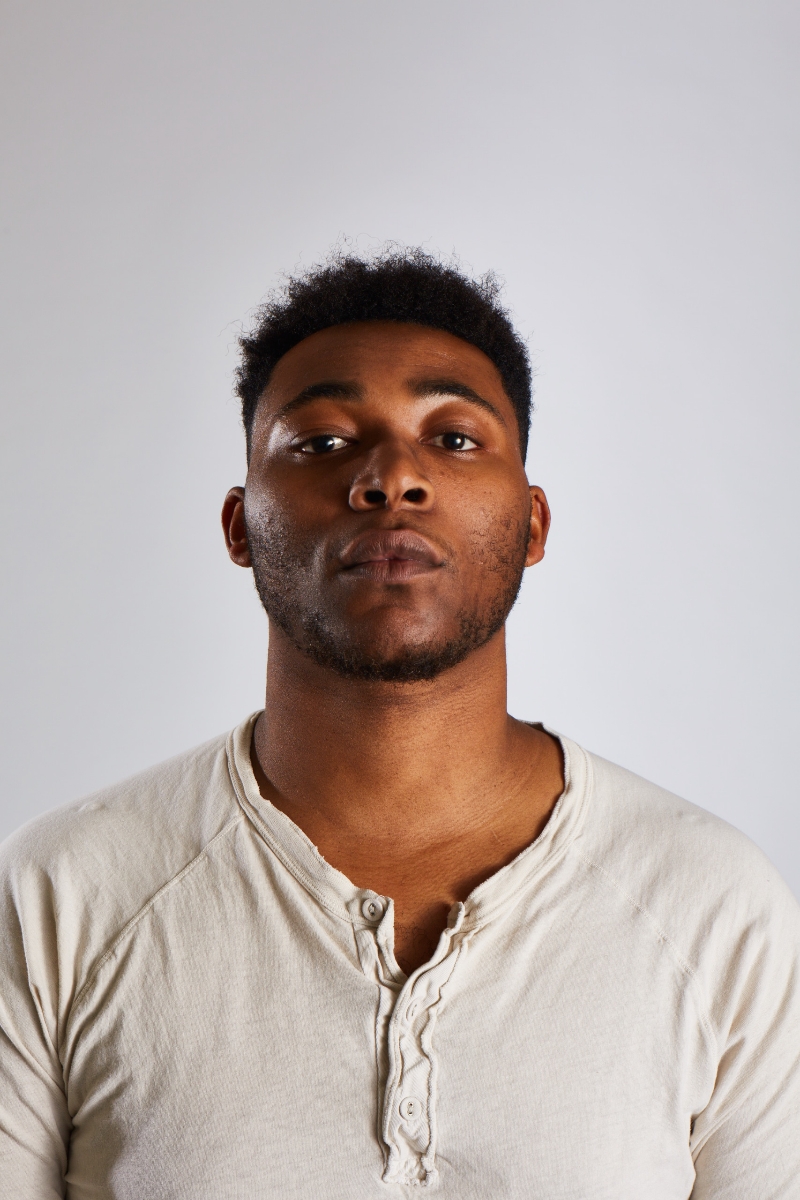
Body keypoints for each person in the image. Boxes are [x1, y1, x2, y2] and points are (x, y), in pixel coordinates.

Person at [1, 248, 798, 1200]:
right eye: (324, 440)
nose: (391, 478)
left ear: (533, 524)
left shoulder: (710, 906)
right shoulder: (64, 898)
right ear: (239, 526)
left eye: (455, 439)